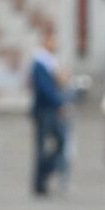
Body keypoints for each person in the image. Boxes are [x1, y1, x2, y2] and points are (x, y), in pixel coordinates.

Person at [31, 31, 69, 197]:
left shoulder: (50, 62)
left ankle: (44, 175)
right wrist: (59, 103)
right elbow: (44, 89)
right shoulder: (39, 62)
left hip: (51, 109)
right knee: (43, 146)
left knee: (59, 142)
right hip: (45, 110)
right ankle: (40, 181)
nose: (55, 44)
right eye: (52, 41)